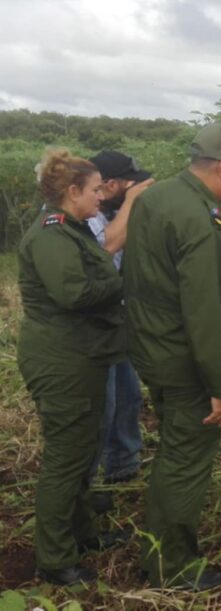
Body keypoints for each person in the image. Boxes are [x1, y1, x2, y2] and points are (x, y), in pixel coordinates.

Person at [123, 121, 221, 591]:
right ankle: (172, 566)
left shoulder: (157, 198)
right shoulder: (196, 219)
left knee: (173, 455)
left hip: (155, 351)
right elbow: (203, 312)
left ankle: (160, 549)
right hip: (186, 364)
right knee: (185, 463)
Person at [17, 148, 130, 586]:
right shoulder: (51, 235)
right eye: (96, 189)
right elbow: (75, 293)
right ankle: (55, 558)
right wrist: (119, 282)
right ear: (72, 191)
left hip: (81, 354)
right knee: (66, 458)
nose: (102, 196)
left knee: (84, 449)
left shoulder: (73, 230)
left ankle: (83, 534)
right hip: (62, 360)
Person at [85, 151, 154, 504]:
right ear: (110, 186)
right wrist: (131, 204)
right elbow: (106, 248)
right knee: (103, 407)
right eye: (128, 186)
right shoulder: (85, 213)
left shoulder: (112, 210)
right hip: (92, 329)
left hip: (118, 321)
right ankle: (89, 487)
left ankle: (123, 467)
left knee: (128, 395)